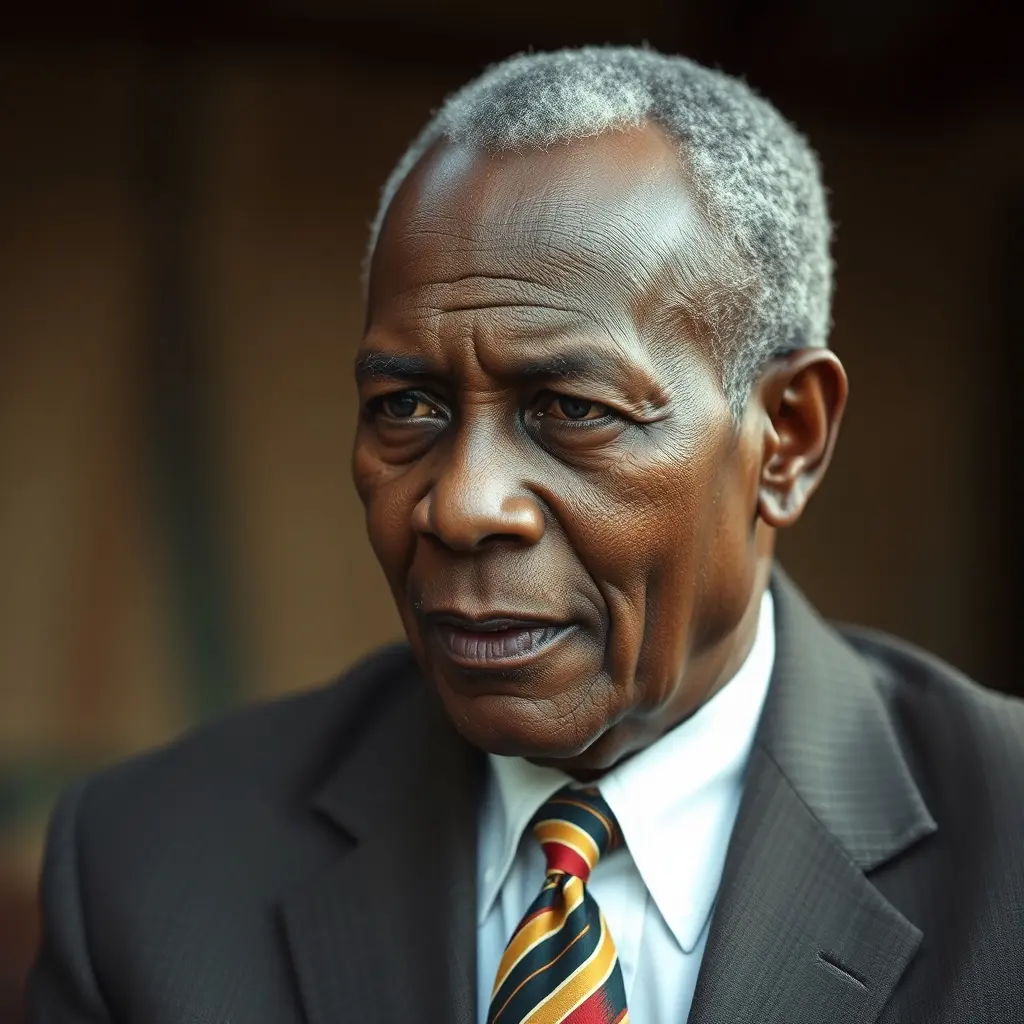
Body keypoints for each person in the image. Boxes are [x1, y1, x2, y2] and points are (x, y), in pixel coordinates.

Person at [28, 46, 1023, 1024]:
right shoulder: (150, 869)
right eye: (407, 406)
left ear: (786, 441)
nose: (462, 506)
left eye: (572, 409)